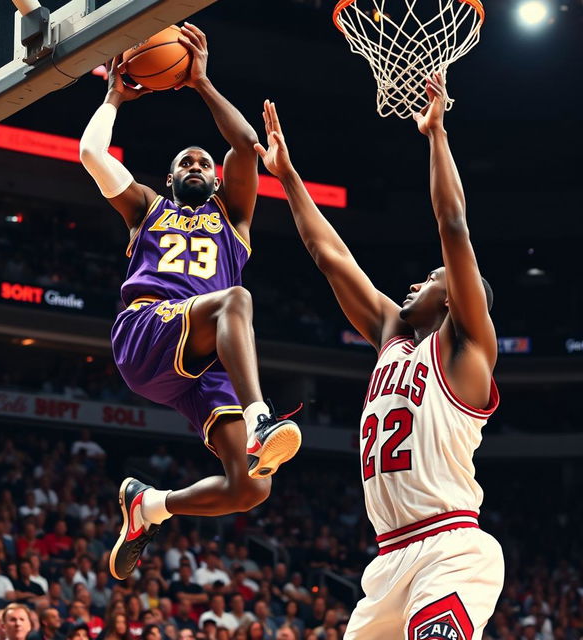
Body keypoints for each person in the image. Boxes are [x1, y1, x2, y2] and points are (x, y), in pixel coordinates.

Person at [255, 75, 504, 639]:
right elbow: (330, 256)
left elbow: (453, 224)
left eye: (432, 278)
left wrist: (436, 134)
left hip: (451, 550)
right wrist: (289, 177)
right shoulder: (393, 335)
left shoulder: (466, 349)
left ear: (458, 297)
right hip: (387, 562)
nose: (417, 283)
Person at [79, 22, 302, 582]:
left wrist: (200, 83)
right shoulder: (146, 208)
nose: (198, 167)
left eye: (205, 162)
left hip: (201, 363)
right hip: (148, 331)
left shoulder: (235, 216)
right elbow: (89, 152)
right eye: (188, 162)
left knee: (251, 486)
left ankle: (149, 506)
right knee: (235, 301)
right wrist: (112, 99)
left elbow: (245, 147)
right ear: (172, 175)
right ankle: (260, 420)